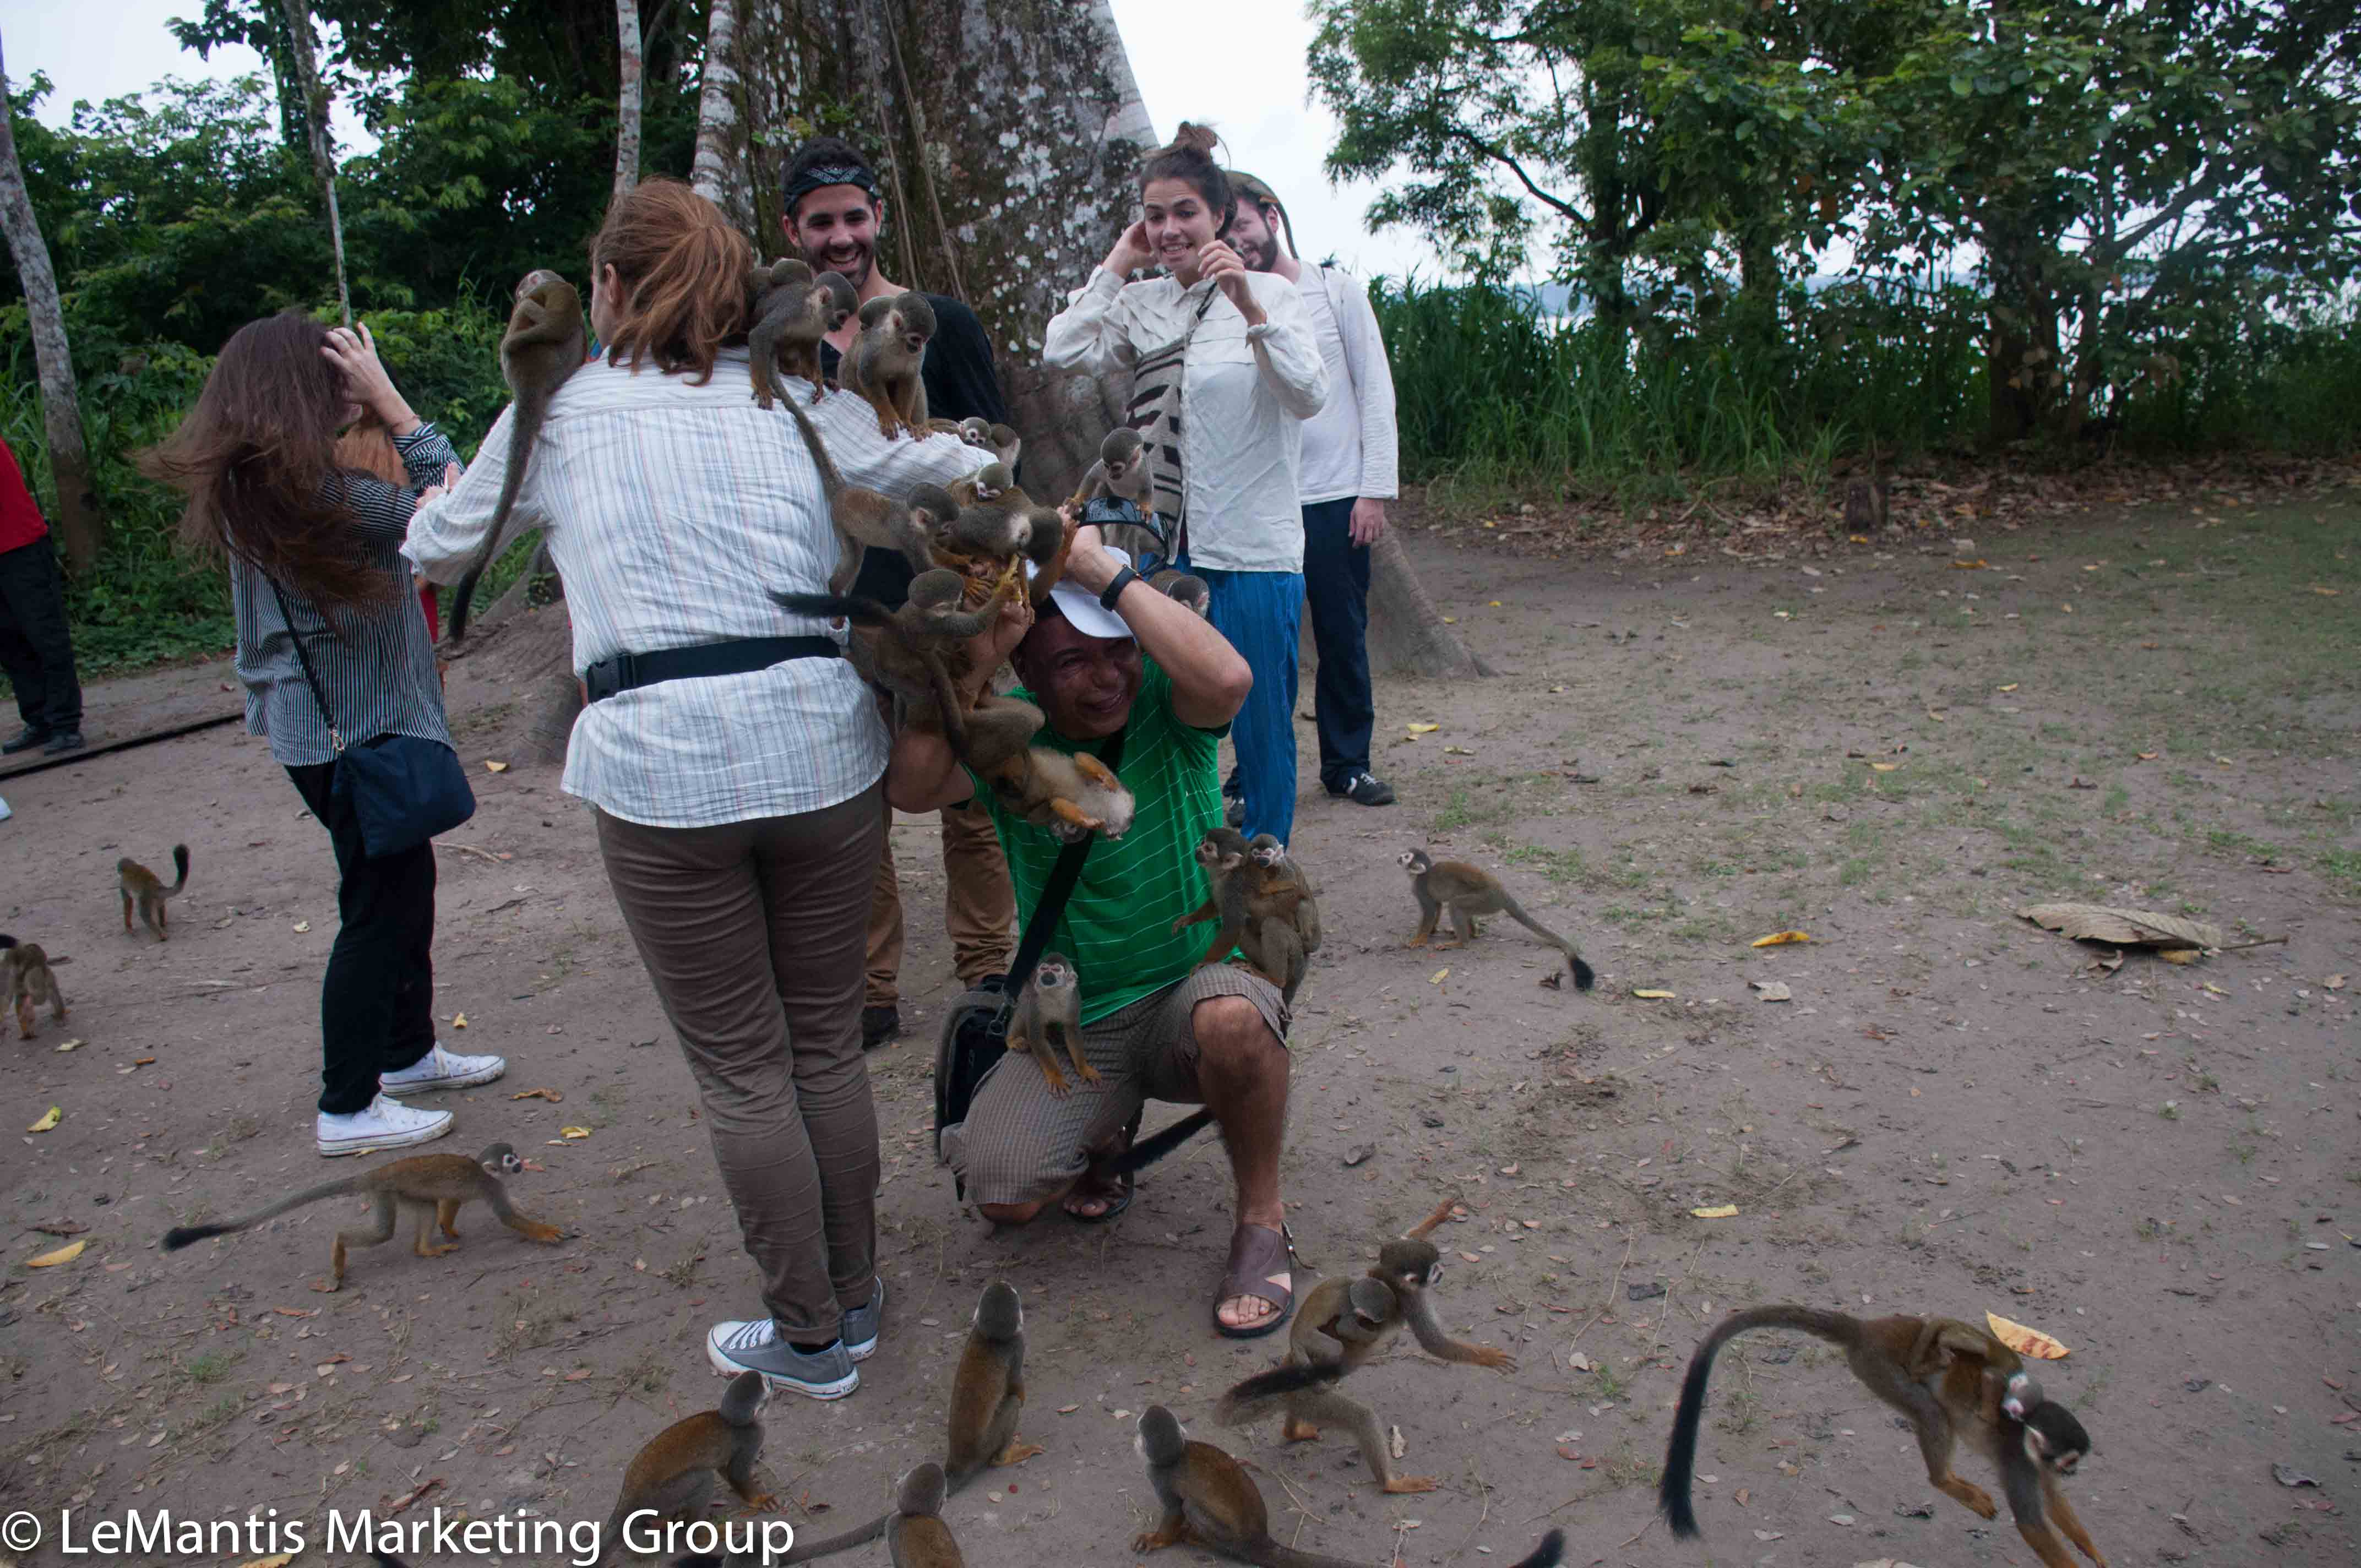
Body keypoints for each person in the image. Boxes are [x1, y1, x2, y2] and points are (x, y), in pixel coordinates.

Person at [408, 178, 989, 1400]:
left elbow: (441, 545)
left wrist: (426, 482)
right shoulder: (798, 400)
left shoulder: (559, 413)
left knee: (743, 1067)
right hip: (820, 749)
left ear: (610, 288)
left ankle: (811, 1335)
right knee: (824, 1046)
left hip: (660, 769)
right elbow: (932, 468)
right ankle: (860, 1297)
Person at [887, 525, 1303, 1340]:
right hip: (1082, 1013)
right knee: (1003, 1191)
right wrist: (982, 649)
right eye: (1073, 662)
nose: (1107, 677)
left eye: (1116, 650)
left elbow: (1230, 677)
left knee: (1234, 1024)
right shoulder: (1012, 734)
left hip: (1199, 981)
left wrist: (1093, 568)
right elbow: (911, 786)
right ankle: (1105, 1127)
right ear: (1028, 674)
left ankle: (1262, 1217)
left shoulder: (1167, 709)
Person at [141, 314, 505, 1157]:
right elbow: (456, 503)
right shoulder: (323, 497)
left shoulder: (269, 488)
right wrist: (394, 404)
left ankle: (407, 1055)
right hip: (357, 735)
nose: (346, 388)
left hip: (326, 733)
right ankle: (348, 1105)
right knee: (377, 912)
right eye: (331, 377)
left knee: (401, 891)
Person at [779, 134, 1018, 1049]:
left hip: (945, 594)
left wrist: (991, 586)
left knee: (973, 785)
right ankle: (871, 985)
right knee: (855, 802)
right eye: (821, 222)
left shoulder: (938, 322)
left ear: (877, 218)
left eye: (853, 218)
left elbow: (992, 461)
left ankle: (987, 966)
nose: (840, 237)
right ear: (794, 230)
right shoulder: (792, 344)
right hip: (841, 595)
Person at [1042, 123, 1327, 849]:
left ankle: (1268, 870)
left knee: (1260, 726)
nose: (1168, 229)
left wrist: (1248, 307)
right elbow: (1063, 349)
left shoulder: (1274, 296)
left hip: (1253, 548)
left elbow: (1308, 395)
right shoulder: (1143, 304)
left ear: (1221, 216)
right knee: (1156, 711)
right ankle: (1172, 856)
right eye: (1155, 214)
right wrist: (1117, 261)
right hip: (1160, 545)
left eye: (1184, 213)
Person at [1226, 172, 1399, 809]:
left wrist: (1373, 490)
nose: (1235, 241)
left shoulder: (1334, 290)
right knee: (1261, 643)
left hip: (1335, 498)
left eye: (1241, 224)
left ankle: (1348, 764)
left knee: (1341, 635)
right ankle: (1252, 772)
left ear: (1271, 217)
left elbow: (1374, 389)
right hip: (1263, 500)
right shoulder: (1230, 302)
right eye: (1224, 232)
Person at [0, 436, 85, 757]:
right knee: (10, 643)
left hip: (21, 549)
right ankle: (39, 720)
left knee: (46, 637)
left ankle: (65, 724)